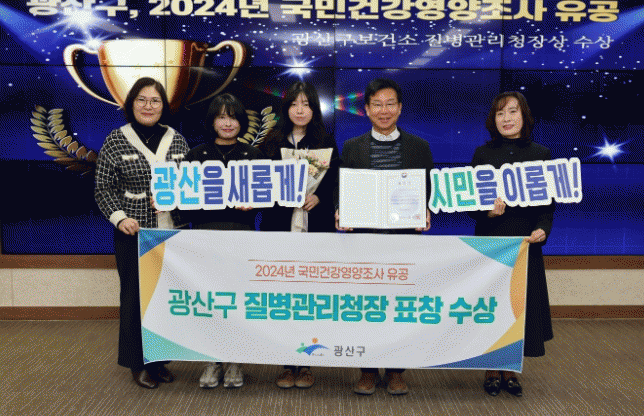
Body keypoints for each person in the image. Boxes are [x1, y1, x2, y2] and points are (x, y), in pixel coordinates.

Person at [334, 78, 433, 395]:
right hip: (364, 241)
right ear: (366, 109)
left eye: (390, 104)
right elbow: (343, 191)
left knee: (399, 307)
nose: (384, 110)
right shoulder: (352, 147)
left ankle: (395, 371)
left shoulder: (419, 148)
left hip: (404, 241)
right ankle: (366, 370)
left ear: (400, 108)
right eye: (377, 104)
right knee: (366, 307)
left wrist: (426, 211)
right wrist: (340, 211)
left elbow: (427, 192)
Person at [95, 77, 189, 389]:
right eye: (142, 100)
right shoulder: (116, 139)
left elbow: (192, 184)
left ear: (164, 106)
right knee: (136, 300)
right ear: (131, 103)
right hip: (133, 234)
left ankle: (159, 361)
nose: (148, 106)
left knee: (165, 298)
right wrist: (120, 218)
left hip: (171, 233)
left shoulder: (176, 140)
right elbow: (103, 187)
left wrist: (179, 199)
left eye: (155, 101)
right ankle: (138, 363)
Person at [470, 91, 554, 397]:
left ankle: (511, 371)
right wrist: (487, 211)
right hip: (491, 242)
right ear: (493, 120)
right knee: (493, 306)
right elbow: (470, 202)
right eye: (500, 113)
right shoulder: (482, 154)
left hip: (525, 243)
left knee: (519, 306)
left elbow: (548, 204)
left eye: (513, 111)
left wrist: (543, 228)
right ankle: (492, 369)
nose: (506, 118)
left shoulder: (541, 154)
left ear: (524, 116)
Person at [259, 81, 339, 389]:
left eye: (306, 104)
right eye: (294, 104)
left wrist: (320, 197)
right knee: (282, 297)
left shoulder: (325, 141)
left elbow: (336, 183)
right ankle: (286, 364)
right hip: (279, 227)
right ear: (286, 108)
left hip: (314, 227)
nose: (300, 110)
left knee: (310, 297)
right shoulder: (271, 141)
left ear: (314, 109)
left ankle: (307, 363)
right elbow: (260, 183)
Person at [183, 93, 265, 389]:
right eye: (221, 117)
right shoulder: (196, 155)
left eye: (232, 117)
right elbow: (184, 201)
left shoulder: (253, 155)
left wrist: (254, 203)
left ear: (241, 121)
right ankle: (212, 359)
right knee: (210, 299)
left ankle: (235, 360)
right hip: (206, 235)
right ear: (212, 122)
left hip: (241, 234)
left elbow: (267, 199)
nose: (227, 123)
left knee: (238, 299)